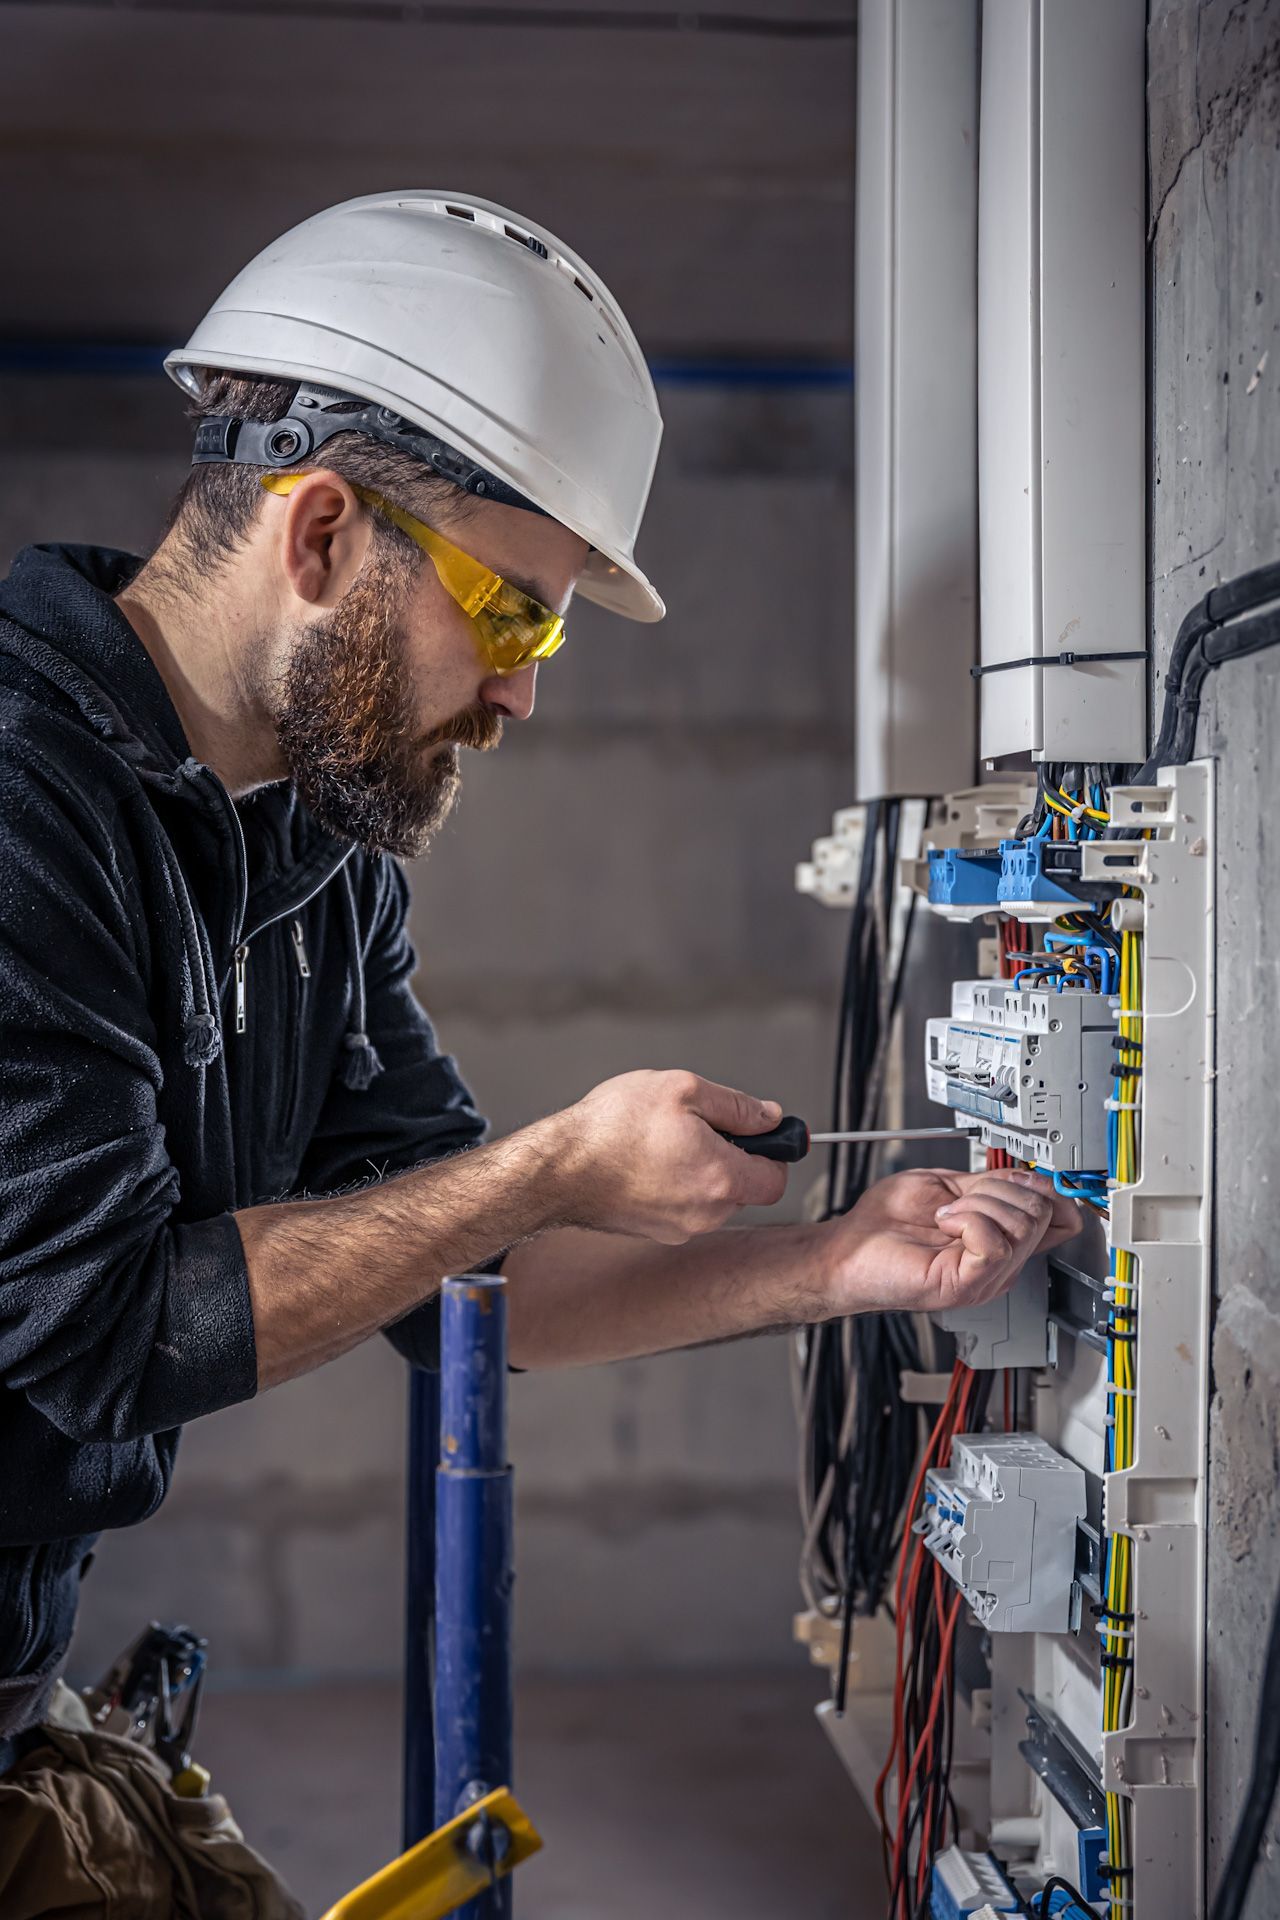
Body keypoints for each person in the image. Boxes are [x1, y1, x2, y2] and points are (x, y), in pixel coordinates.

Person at [0, 192, 1080, 1911]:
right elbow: (101, 1332)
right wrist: (558, 1157)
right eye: (514, 617)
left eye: (547, 636)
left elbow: (464, 1286)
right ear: (325, 532)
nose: (521, 698)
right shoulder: (22, 793)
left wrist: (832, 1264)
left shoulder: (316, 856)